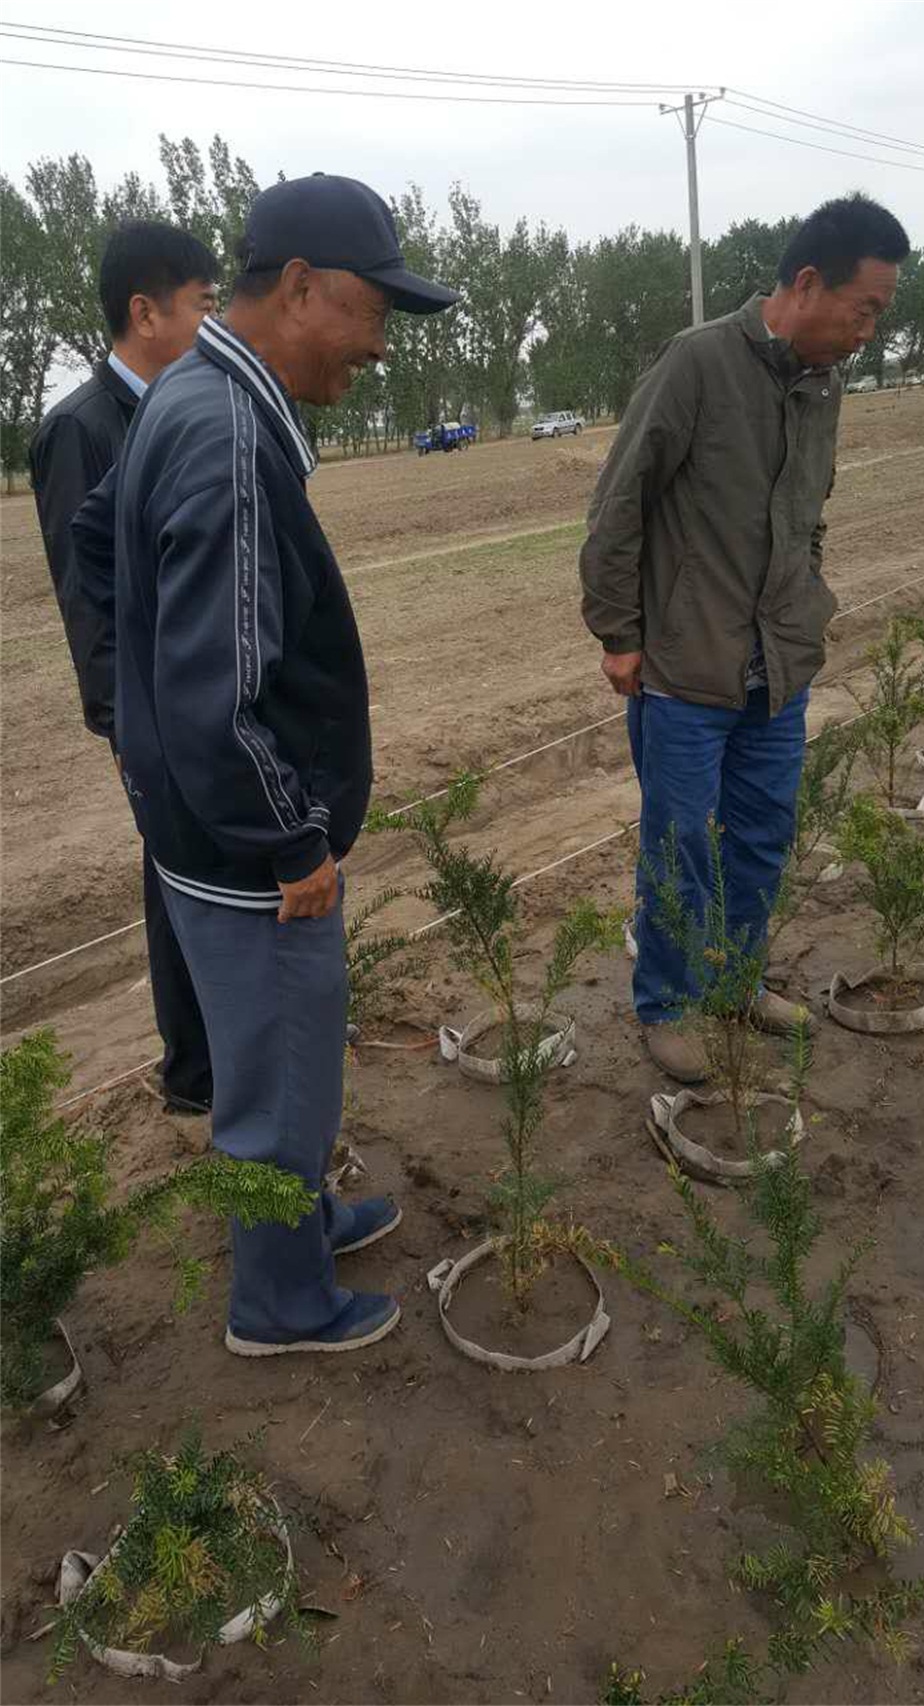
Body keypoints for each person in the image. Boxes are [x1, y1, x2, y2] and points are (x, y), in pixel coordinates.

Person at [74, 174, 459, 1355]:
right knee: (278, 1076)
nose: (380, 345)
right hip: (250, 852)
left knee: (274, 1062)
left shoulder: (185, 393)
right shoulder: (228, 435)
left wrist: (141, 715)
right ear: (298, 287)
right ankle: (281, 1302)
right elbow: (223, 697)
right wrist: (293, 841)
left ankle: (300, 1226)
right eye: (372, 311)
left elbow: (97, 540)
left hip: (199, 827)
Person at [580, 194, 909, 1083]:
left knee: (761, 837)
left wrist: (806, 605)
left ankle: (733, 982)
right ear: (807, 283)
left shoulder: (822, 385)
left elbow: (809, 515)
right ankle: (667, 1004)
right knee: (679, 847)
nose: (869, 331)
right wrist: (619, 633)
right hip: (685, 669)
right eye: (865, 309)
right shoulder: (697, 363)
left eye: (879, 315)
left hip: (779, 667)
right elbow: (617, 507)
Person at [30, 221, 220, 1115]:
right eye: (204, 305)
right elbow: (87, 598)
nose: (215, 323)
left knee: (217, 866)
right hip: (150, 708)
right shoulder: (81, 429)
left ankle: (227, 1050)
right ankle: (194, 1078)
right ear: (146, 313)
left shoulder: (188, 405)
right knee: (176, 874)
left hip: (205, 693)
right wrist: (120, 725)